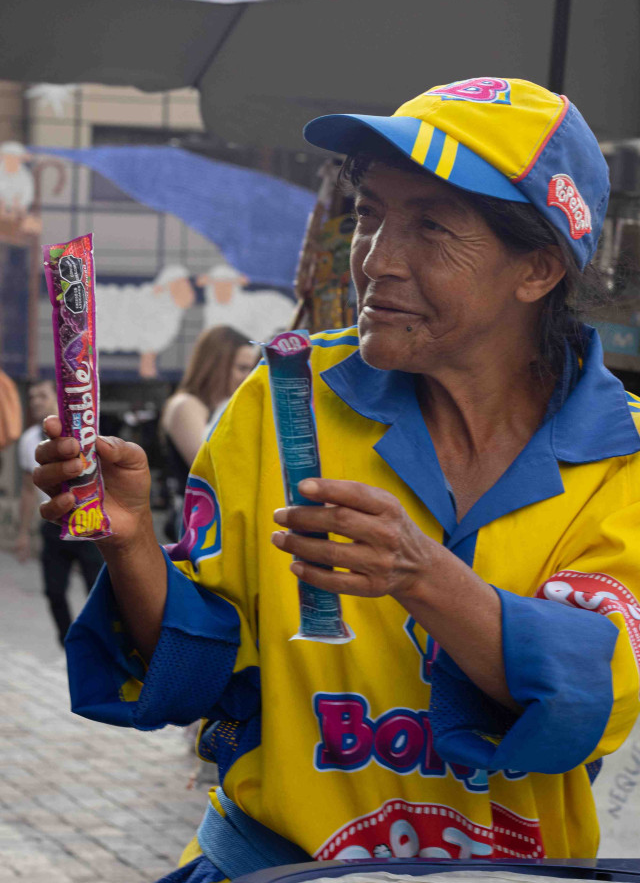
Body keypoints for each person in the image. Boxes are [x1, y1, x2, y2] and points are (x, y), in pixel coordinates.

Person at [35, 78, 640, 871]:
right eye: (370, 214)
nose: (377, 260)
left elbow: (592, 694)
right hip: (278, 867)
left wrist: (422, 574)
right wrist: (132, 546)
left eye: (431, 227)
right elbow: (201, 671)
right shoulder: (286, 400)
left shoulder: (621, 456)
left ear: (538, 268)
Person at [15, 379, 103, 646]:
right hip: (53, 525)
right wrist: (23, 534)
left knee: (97, 591)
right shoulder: (28, 440)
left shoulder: (83, 433)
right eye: (32, 397)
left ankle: (100, 644)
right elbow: (28, 490)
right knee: (53, 592)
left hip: (87, 523)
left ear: (58, 398)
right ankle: (70, 644)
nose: (35, 402)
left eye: (42, 395)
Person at [159, 325, 256, 540]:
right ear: (217, 365)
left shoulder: (215, 406)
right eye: (242, 368)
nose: (248, 377)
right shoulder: (186, 405)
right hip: (200, 519)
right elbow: (211, 467)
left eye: (251, 369)